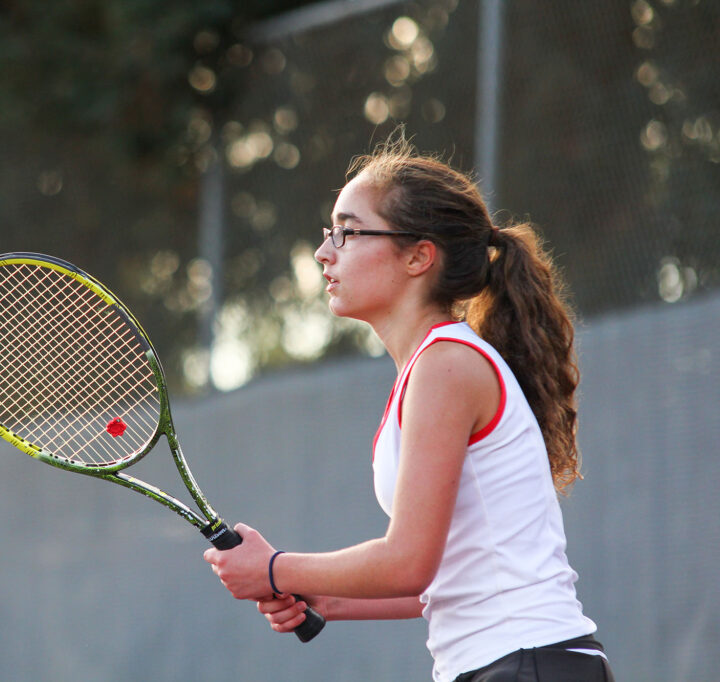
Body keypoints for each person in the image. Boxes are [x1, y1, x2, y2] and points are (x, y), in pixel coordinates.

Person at [204, 131, 614, 682]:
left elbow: (408, 562)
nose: (325, 252)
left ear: (419, 256)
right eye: (329, 233)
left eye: (348, 232)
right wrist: (327, 596)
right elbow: (448, 576)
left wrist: (275, 568)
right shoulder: (432, 367)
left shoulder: (446, 365)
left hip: (526, 665)